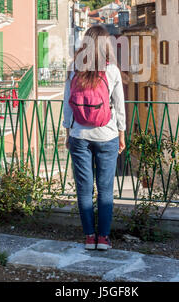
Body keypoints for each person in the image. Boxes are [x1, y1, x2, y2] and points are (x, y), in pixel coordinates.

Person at [63, 25, 126, 251]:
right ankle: (104, 238)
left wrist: (68, 133)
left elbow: (67, 105)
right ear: (105, 44)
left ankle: (89, 237)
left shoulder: (74, 68)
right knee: (105, 189)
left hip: (79, 134)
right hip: (106, 135)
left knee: (84, 189)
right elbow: (119, 106)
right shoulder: (112, 71)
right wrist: (121, 134)